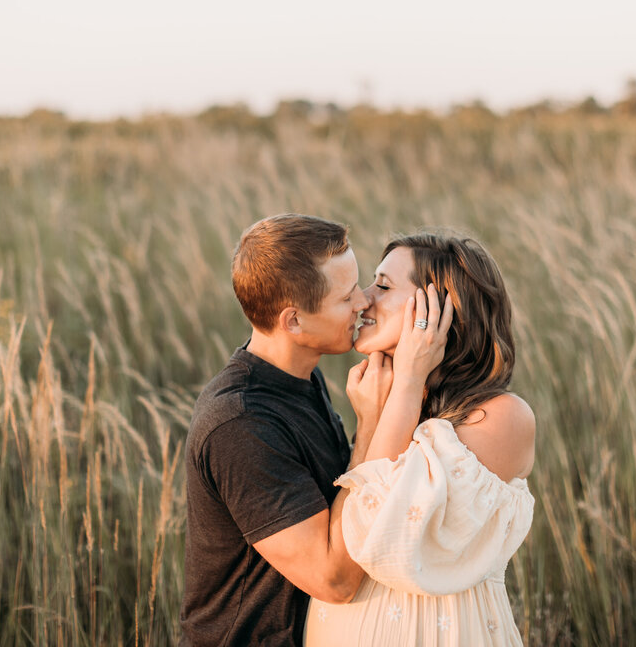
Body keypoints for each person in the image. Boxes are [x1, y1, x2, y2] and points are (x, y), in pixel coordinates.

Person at [181, 214, 450, 646]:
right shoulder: (240, 424)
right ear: (293, 322)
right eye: (346, 298)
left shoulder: (302, 378)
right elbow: (334, 579)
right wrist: (368, 431)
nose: (364, 302)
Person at [304, 231, 538, 646]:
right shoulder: (381, 402)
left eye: (383, 285)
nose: (362, 298)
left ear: (441, 309)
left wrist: (410, 378)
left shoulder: (502, 417)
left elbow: (378, 532)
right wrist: (379, 413)